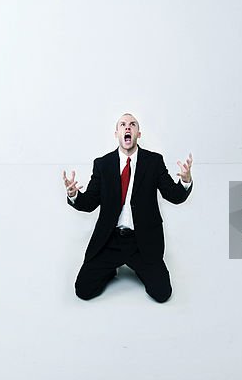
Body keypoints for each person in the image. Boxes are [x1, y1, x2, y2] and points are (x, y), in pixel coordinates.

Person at [63, 113, 193, 302]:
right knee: (83, 291)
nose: (127, 127)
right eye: (123, 125)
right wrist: (74, 195)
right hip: (110, 239)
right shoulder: (102, 164)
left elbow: (174, 195)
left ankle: (140, 269)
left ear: (138, 133)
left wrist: (185, 181)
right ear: (117, 133)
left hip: (143, 241)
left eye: (132, 124)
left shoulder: (154, 162)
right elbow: (90, 202)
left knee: (162, 294)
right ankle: (110, 270)